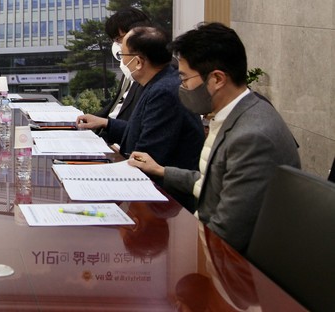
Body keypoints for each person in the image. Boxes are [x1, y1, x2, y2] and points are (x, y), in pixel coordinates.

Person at [128, 23, 300, 253]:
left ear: (217, 79)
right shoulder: (239, 112)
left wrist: (182, 252)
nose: (182, 87)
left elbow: (226, 235)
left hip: (234, 267)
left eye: (185, 79)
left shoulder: (251, 138)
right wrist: (161, 170)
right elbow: (212, 179)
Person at [78, 25, 204, 209]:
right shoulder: (158, 81)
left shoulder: (164, 91)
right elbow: (141, 130)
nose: (122, 61)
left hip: (164, 199)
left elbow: (147, 155)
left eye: (122, 55)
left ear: (138, 62)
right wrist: (106, 123)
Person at [79, 8, 151, 137]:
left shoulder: (150, 75)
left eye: (119, 39)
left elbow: (143, 131)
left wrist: (107, 126)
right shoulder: (130, 70)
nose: (117, 46)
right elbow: (115, 108)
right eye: (115, 40)